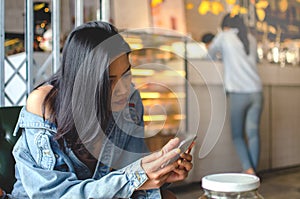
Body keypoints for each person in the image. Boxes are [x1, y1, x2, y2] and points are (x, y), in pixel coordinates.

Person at [10, 21, 193, 199]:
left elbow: (131, 172)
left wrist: (162, 172)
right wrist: (135, 179)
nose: (123, 89)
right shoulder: (44, 104)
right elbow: (52, 193)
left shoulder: (130, 100)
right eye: (110, 80)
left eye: (126, 74)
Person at [207, 14, 263, 175]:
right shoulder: (251, 38)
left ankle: (249, 170)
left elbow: (208, 56)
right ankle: (253, 174)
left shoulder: (224, 36)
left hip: (239, 93)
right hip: (257, 92)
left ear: (225, 26)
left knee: (237, 135)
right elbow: (257, 60)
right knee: (253, 134)